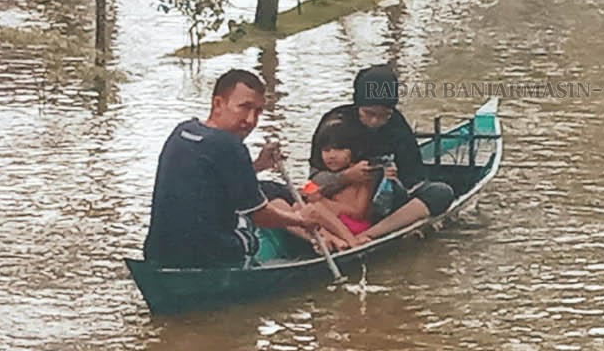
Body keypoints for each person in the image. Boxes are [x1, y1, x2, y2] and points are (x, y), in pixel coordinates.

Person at [143, 69, 346, 268]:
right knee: (268, 202)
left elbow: (211, 177)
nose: (251, 120)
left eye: (258, 112)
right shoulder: (230, 145)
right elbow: (260, 215)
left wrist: (258, 165)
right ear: (218, 104)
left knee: (268, 189)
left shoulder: (182, 131)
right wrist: (300, 219)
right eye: (244, 107)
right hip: (212, 260)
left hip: (159, 254)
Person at [316, 64, 456, 238]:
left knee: (441, 193)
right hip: (337, 203)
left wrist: (394, 180)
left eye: (384, 115)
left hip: (383, 205)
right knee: (295, 196)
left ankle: (370, 235)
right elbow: (312, 181)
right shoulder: (335, 125)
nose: (375, 121)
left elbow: (415, 179)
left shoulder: (397, 125)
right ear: (358, 106)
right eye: (369, 113)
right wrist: (345, 177)